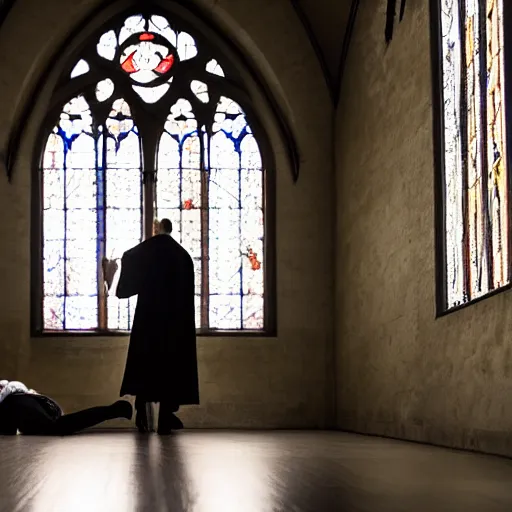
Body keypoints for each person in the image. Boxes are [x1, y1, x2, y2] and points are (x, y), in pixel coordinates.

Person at [116, 218, 199, 435]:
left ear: (156, 228)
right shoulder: (183, 256)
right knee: (170, 370)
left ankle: (142, 416)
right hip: (175, 325)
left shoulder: (146, 251)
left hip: (148, 320)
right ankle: (165, 420)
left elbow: (127, 266)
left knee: (146, 365)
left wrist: (117, 281)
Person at [0, 379, 132, 435]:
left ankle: (115, 410)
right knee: (60, 424)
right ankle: (114, 410)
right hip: (22, 400)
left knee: (59, 426)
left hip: (16, 404)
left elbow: (8, 429)